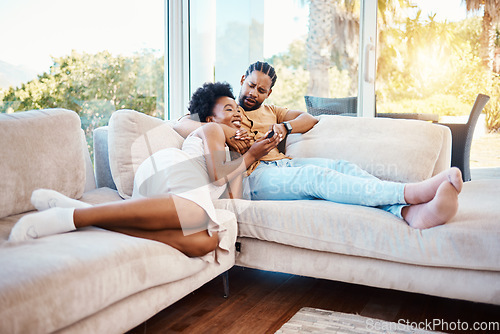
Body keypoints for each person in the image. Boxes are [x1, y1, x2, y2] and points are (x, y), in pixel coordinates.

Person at [174, 61, 463, 230]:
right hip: (256, 176)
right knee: (317, 178)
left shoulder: (268, 111)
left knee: (341, 167)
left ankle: (407, 212)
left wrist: (282, 128)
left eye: (261, 90)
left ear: (269, 93)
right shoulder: (216, 120)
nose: (251, 96)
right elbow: (180, 124)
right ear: (242, 82)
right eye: (250, 86)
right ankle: (411, 193)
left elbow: (309, 118)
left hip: (281, 165)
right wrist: (227, 130)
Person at [8, 82, 279, 260]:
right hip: (173, 169)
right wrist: (253, 154)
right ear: (210, 118)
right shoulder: (211, 129)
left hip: (183, 191)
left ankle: (88, 218)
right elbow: (217, 174)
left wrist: (244, 155)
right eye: (229, 109)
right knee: (196, 215)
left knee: (205, 242)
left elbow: (233, 202)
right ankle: (73, 217)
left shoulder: (234, 157)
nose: (237, 114)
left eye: (238, 112)